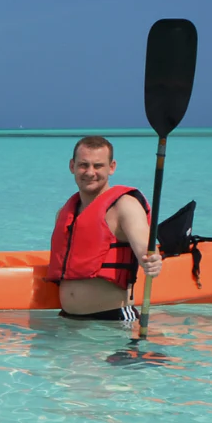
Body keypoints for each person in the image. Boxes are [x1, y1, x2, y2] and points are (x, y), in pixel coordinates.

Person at [44, 135, 164, 322]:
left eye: (98, 166)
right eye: (83, 165)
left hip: (112, 321)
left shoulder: (125, 206)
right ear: (72, 166)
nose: (90, 172)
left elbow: (144, 244)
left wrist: (152, 260)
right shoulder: (64, 213)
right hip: (68, 321)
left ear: (112, 167)